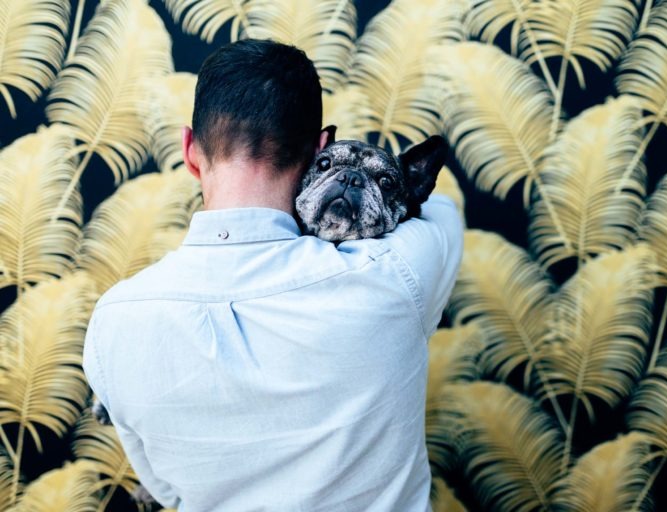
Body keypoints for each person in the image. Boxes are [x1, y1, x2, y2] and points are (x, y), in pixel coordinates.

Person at [82, 39, 463, 512]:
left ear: (189, 149)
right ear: (319, 148)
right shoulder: (398, 272)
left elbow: (165, 489)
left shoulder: (114, 321)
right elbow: (442, 208)